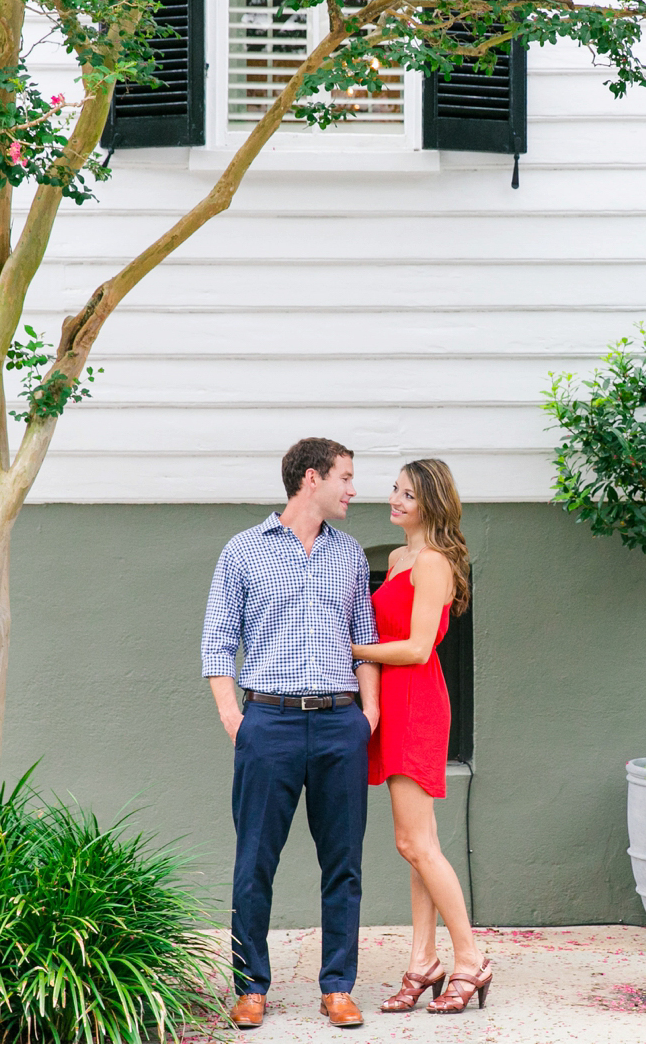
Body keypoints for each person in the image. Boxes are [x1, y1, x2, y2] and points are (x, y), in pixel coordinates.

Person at [202, 438, 381, 1030]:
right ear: (313, 478)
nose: (354, 489)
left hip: (338, 723)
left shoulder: (351, 554)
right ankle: (250, 986)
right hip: (268, 721)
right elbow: (217, 643)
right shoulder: (244, 551)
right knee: (255, 859)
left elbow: (366, 642)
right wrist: (237, 719)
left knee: (344, 861)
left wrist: (367, 718)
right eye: (346, 477)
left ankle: (338, 987)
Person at [352, 459, 492, 1014]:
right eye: (394, 489)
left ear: (431, 503)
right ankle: (422, 961)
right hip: (394, 702)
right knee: (419, 846)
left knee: (413, 843)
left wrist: (351, 651)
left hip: (417, 701)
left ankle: (471, 959)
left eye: (407, 494)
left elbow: (415, 647)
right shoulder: (397, 558)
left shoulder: (432, 563)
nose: (394, 499)